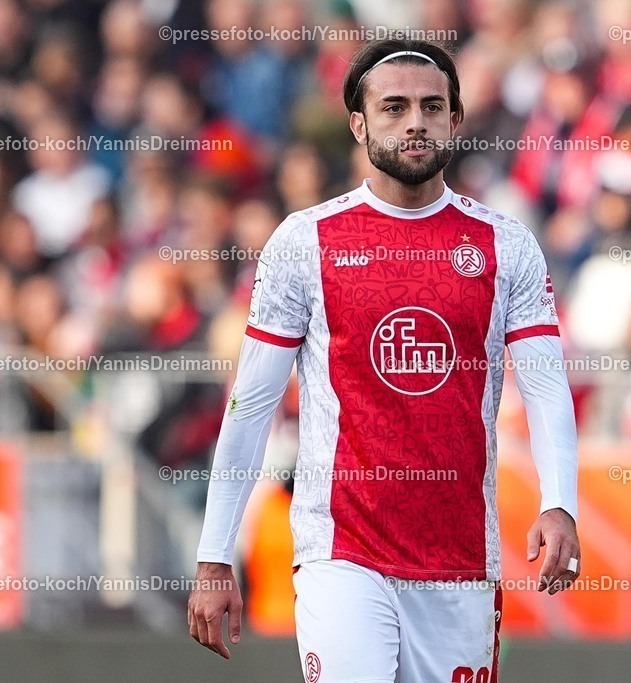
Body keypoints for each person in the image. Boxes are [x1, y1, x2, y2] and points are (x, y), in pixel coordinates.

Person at [188, 39, 581, 682]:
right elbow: (252, 402)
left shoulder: (504, 244)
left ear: (456, 120)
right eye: (394, 107)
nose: (415, 121)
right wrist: (214, 555)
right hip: (342, 551)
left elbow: (543, 383)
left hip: (459, 560)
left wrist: (560, 501)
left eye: (432, 107)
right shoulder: (305, 240)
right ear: (359, 123)